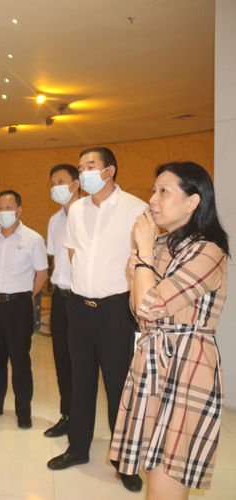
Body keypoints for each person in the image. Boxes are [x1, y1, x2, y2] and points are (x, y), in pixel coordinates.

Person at [110, 162, 228, 499]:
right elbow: (139, 311)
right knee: (152, 462)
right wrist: (144, 260)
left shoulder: (209, 251)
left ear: (192, 202)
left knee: (168, 467)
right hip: (151, 358)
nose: (153, 199)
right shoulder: (160, 245)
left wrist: (143, 256)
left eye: (164, 191)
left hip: (186, 362)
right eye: (153, 190)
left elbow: (151, 305)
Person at [47, 147, 147, 493]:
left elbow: (144, 260)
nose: (84, 172)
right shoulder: (76, 209)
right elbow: (73, 251)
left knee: (119, 385)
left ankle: (125, 462)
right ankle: (77, 448)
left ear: (110, 170)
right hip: (79, 306)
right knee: (81, 380)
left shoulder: (136, 208)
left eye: (90, 166)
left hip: (116, 309)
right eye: (80, 167)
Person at [0, 190, 48, 429]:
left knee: (20, 360)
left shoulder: (33, 239)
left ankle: (23, 411)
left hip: (18, 306)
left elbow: (42, 273)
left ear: (19, 210)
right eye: (0, 208)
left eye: (9, 207)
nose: (4, 212)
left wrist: (26, 295)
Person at [44, 165, 81, 437]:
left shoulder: (88, 214)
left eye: (61, 181)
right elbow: (54, 258)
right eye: (52, 183)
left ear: (76, 184)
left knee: (83, 363)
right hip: (60, 295)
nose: (55, 187)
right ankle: (67, 414)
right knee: (62, 360)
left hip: (83, 297)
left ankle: (81, 420)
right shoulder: (54, 220)